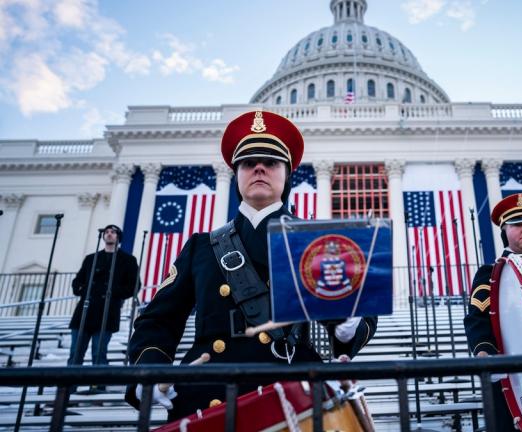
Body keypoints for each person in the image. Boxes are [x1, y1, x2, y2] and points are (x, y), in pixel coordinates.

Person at [125, 110, 378, 421]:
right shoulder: (201, 247)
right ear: (238, 175)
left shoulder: (316, 245)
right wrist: (151, 373)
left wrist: (347, 322)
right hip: (208, 395)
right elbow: (157, 320)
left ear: (287, 175)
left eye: (271, 162)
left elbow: (354, 326)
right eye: (248, 163)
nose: (259, 167)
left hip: (292, 395)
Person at [464, 193, 522, 429]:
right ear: (504, 232)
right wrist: (486, 354)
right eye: (517, 225)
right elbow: (477, 320)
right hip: (511, 377)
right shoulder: (492, 275)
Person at [69, 224, 138, 367]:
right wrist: (84, 290)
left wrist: (114, 293)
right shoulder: (91, 258)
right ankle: (68, 388)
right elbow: (77, 282)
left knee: (99, 353)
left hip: (107, 312)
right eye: (106, 232)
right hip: (84, 311)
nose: (109, 234)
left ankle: (97, 386)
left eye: (113, 232)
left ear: (118, 237)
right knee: (75, 353)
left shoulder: (128, 260)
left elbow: (134, 286)